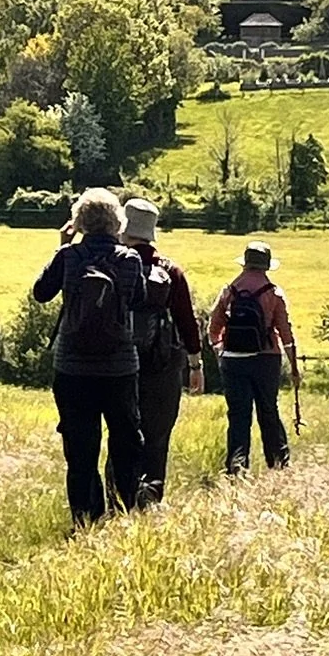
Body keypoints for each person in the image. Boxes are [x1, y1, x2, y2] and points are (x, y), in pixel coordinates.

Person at [32, 188, 146, 527]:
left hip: (72, 367)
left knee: (80, 449)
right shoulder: (129, 259)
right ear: (116, 222)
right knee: (125, 442)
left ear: (79, 221)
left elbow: (41, 293)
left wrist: (62, 246)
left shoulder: (69, 257)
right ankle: (123, 511)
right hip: (119, 366)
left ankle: (86, 519)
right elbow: (139, 301)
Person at [119, 197, 202, 503]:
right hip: (163, 364)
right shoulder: (170, 271)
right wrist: (196, 365)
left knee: (121, 434)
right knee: (157, 436)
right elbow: (187, 321)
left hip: (119, 363)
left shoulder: (114, 265)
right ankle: (151, 500)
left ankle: (118, 498)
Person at [207, 240, 299, 474]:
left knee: (238, 415)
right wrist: (294, 367)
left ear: (245, 264)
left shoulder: (229, 290)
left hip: (233, 359)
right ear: (266, 266)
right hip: (266, 359)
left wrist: (220, 353)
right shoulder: (274, 293)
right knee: (268, 410)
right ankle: (278, 463)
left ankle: (237, 466)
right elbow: (286, 334)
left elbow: (213, 328)